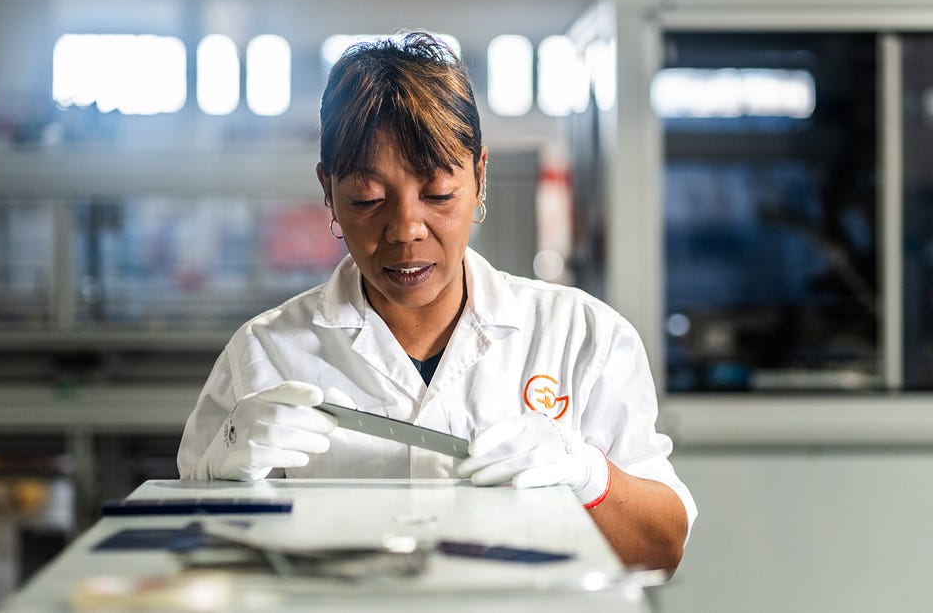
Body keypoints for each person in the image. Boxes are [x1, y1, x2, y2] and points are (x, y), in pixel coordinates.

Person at [178, 31, 696, 571]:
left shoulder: (582, 335)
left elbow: (662, 550)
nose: (405, 230)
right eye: (367, 199)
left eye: (438, 195)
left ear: (480, 176)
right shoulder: (265, 352)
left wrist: (589, 476)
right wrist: (222, 470)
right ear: (328, 191)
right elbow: (186, 559)